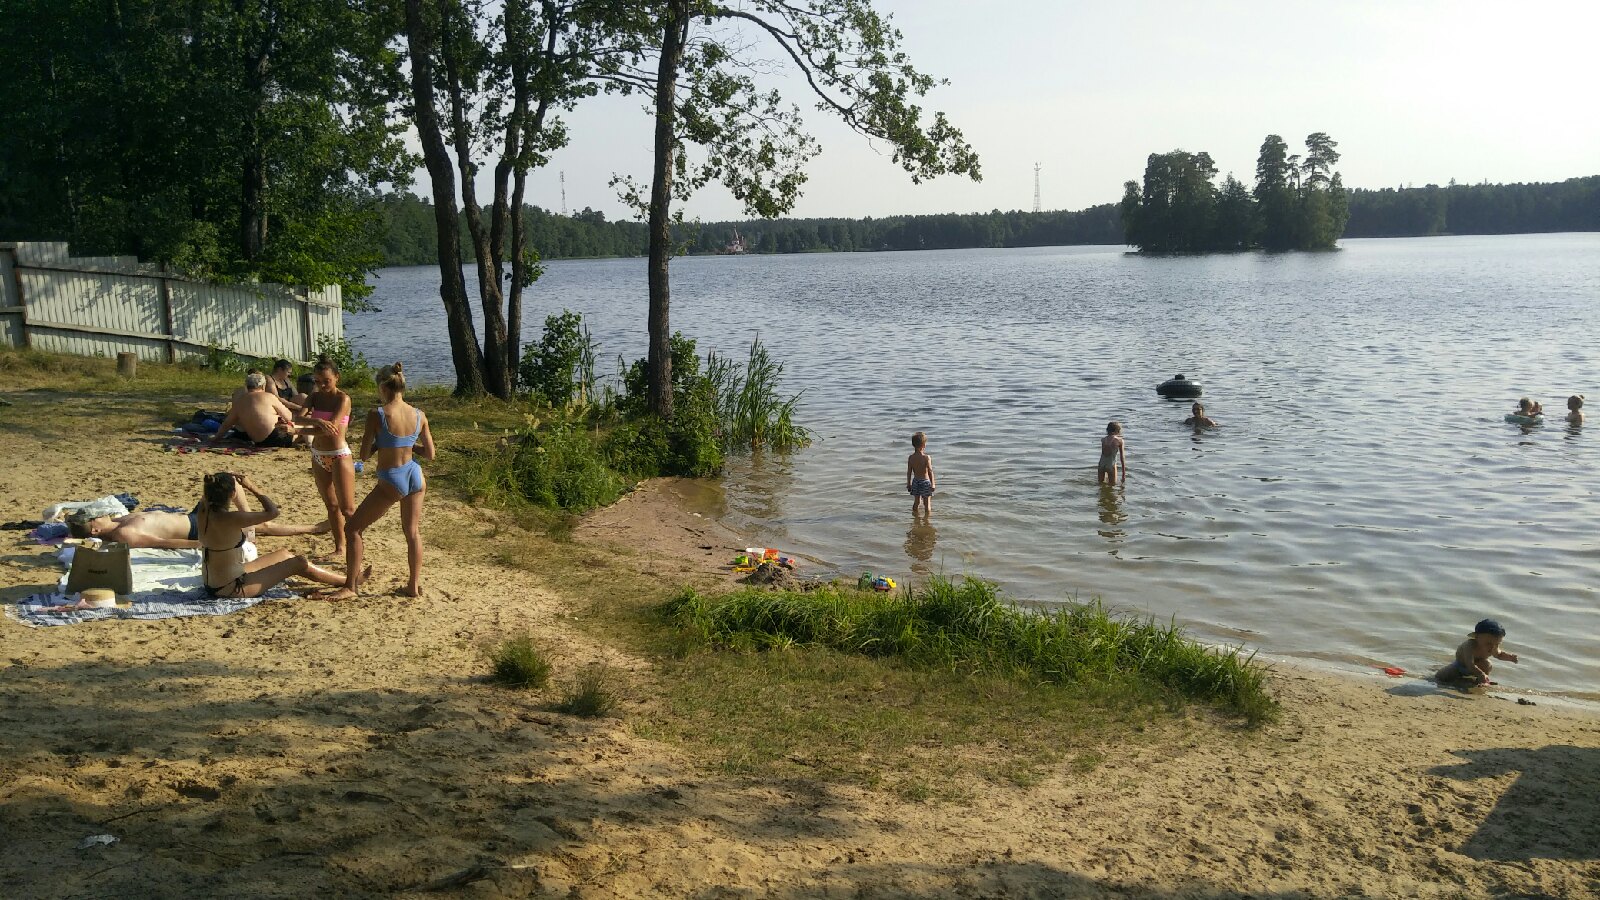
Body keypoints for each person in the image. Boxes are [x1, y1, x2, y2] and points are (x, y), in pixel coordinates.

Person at [323, 363, 434, 600]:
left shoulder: (378, 414)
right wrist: (407, 444)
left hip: (392, 478)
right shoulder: (419, 414)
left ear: (383, 387)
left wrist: (381, 444)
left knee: (353, 529)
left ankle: (350, 587)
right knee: (412, 532)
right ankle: (413, 586)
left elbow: (364, 455)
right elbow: (430, 454)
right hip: (415, 474)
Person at [194, 472, 355, 598]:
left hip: (216, 581)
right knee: (299, 562)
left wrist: (219, 483)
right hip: (232, 588)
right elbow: (273, 512)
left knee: (284, 554)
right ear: (232, 494)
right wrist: (251, 487)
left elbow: (210, 493)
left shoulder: (203, 510)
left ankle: (346, 579)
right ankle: (348, 581)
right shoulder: (231, 518)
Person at [66, 488, 326, 550]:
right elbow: (162, 543)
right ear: (95, 530)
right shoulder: (124, 534)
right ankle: (313, 529)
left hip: (192, 517)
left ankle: (247, 524)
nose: (98, 514)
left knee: (226, 482)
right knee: (264, 526)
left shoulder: (120, 519)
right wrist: (202, 545)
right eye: (94, 518)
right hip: (198, 528)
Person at [300, 356, 356, 560]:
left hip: (338, 455)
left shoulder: (343, 399)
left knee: (347, 509)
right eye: (317, 381)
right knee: (331, 505)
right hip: (318, 454)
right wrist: (315, 421)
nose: (322, 385)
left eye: (326, 381)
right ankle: (340, 547)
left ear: (337, 378)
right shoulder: (314, 397)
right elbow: (298, 417)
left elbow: (331, 428)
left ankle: (355, 546)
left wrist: (298, 429)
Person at [212, 372, 296, 446]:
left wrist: (216, 438)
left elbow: (226, 424)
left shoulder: (240, 401)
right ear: (263, 386)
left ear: (247, 386)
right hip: (276, 437)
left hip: (259, 442)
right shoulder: (269, 397)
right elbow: (288, 416)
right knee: (300, 430)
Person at [1434, 618, 1519, 688]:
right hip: (1460, 666)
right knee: (1441, 676)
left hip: (1478, 669)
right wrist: (1480, 674)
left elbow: (1499, 655)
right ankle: (1471, 679)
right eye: (1488, 643)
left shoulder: (1493, 647)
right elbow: (1470, 664)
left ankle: (1482, 681)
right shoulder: (1469, 645)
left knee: (1487, 664)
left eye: (1497, 644)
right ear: (1477, 637)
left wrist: (1510, 658)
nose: (1492, 647)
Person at [906, 431, 936, 516]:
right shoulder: (926, 458)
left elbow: (909, 472)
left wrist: (908, 484)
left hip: (916, 481)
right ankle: (927, 520)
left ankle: (915, 518)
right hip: (925, 482)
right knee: (927, 503)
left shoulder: (911, 458)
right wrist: (933, 484)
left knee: (916, 502)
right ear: (924, 445)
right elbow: (930, 471)